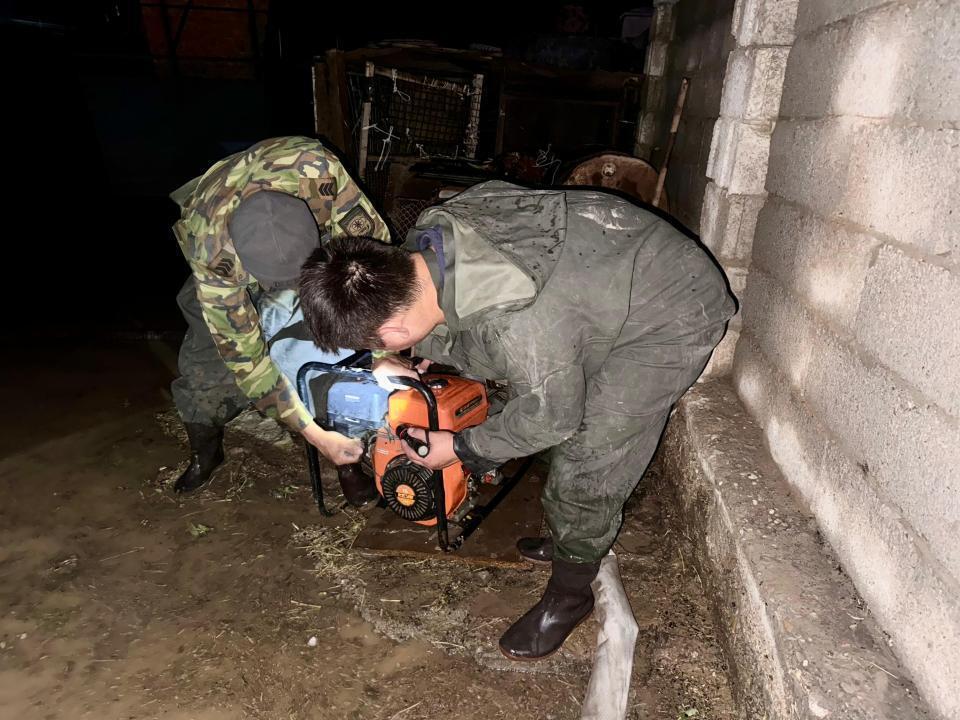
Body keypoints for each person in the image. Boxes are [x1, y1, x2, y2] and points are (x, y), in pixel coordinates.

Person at [297, 181, 736, 661]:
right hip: (606, 268)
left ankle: (570, 594)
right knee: (514, 377)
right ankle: (569, 533)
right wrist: (412, 352)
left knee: (589, 454)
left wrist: (461, 448)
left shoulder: (519, 324)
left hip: (671, 309)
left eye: (381, 343)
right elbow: (468, 328)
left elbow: (551, 417)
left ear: (393, 329)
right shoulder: (428, 240)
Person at [169, 136, 390, 495]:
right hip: (221, 240)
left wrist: (383, 354)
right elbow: (248, 363)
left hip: (309, 221)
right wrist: (312, 434)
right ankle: (205, 451)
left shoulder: (320, 174)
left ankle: (351, 448)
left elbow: (379, 276)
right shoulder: (211, 252)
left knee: (332, 331)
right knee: (205, 360)